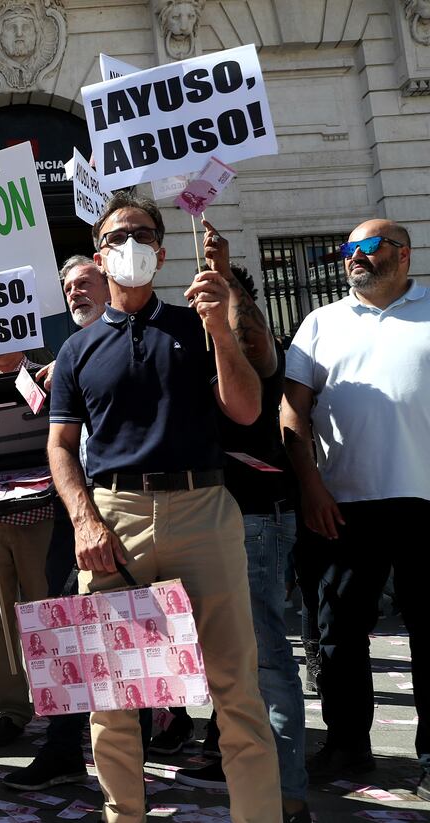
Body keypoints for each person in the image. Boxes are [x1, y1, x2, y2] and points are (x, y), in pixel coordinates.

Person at [48, 191, 281, 821]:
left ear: (163, 247)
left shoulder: (195, 324)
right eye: (119, 236)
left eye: (144, 234)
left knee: (236, 686)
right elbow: (62, 447)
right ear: (100, 257)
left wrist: (221, 331)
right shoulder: (75, 351)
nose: (133, 245)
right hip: (115, 521)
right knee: (115, 695)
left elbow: (246, 410)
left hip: (204, 508)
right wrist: (84, 519)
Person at [280, 219, 430, 795]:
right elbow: (292, 415)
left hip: (424, 502)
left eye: (367, 247)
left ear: (403, 254)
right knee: (339, 633)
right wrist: (311, 486)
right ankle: (347, 748)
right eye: (347, 249)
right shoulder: (320, 323)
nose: (354, 257)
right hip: (341, 505)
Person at [167, 229, 310, 823]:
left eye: (215, 298)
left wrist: (225, 280)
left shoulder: (251, 345)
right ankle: (240, 762)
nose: (204, 306)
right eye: (199, 296)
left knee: (264, 658)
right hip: (206, 520)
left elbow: (262, 357)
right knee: (224, 659)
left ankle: (287, 792)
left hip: (252, 519)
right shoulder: (201, 352)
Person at [4, 255, 112, 793]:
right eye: (66, 288)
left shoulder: (142, 335)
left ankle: (147, 733)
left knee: (133, 626)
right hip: (74, 509)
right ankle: (65, 746)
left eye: (83, 282)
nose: (74, 294)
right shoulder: (66, 352)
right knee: (62, 621)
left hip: (132, 504)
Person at [0, 348, 54, 747]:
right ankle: (12, 709)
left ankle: (61, 709)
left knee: (47, 615)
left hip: (38, 517)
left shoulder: (46, 378)